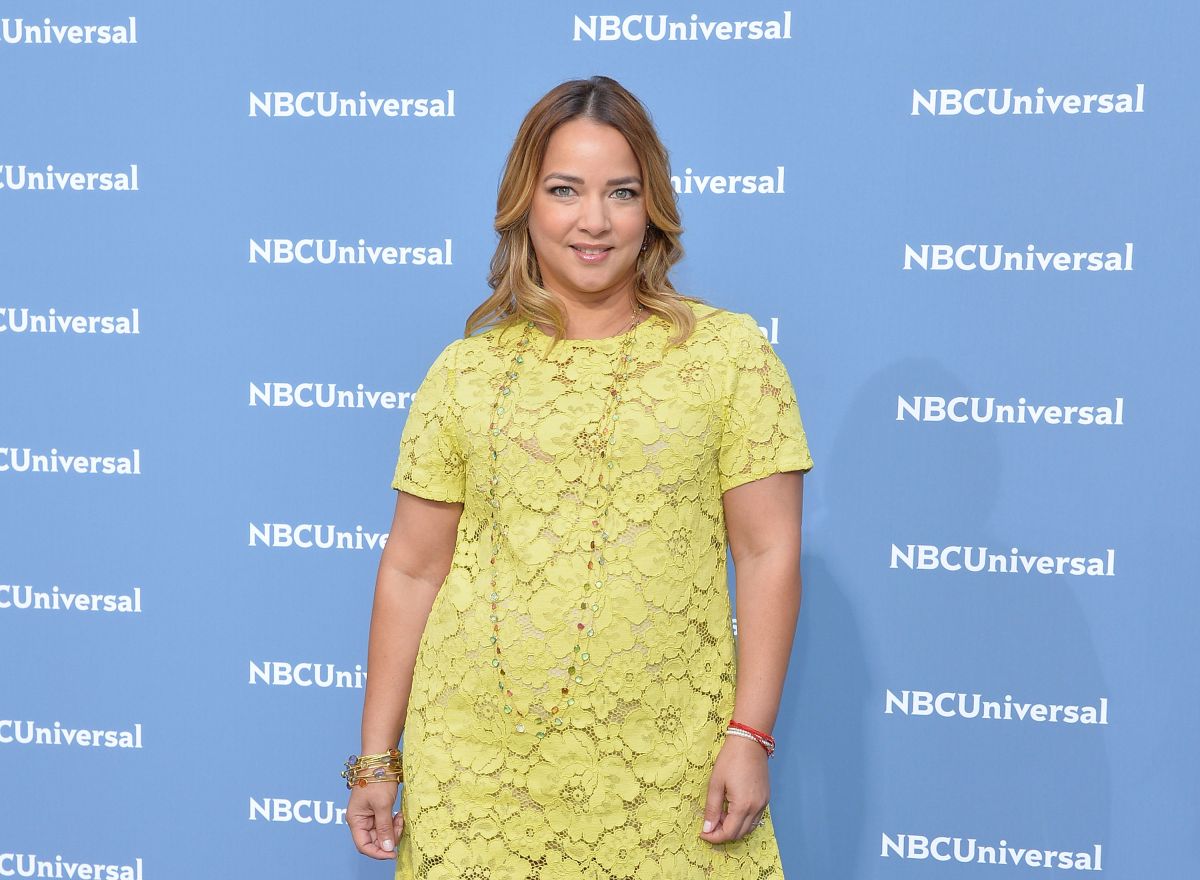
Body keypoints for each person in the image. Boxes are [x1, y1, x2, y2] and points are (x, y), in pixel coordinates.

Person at [345, 74, 814, 879]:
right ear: (526, 203)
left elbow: (768, 554)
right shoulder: (465, 372)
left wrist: (751, 733)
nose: (593, 220)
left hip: (669, 770)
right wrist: (376, 759)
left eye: (620, 193)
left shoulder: (729, 356)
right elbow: (414, 568)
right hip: (475, 770)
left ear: (652, 207)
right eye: (565, 190)